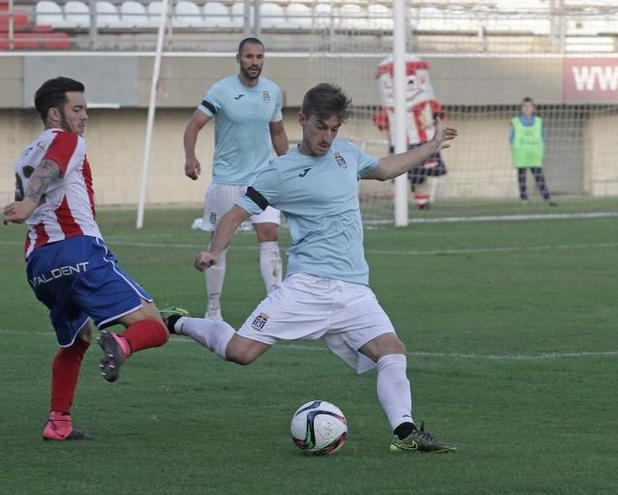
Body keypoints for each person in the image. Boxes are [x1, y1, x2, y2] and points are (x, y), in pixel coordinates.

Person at [164, 83, 458, 453]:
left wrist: (431, 146)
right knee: (240, 352)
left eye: (334, 129)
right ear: (302, 120)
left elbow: (384, 169)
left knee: (392, 351)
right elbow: (236, 214)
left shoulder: (345, 154)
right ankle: (177, 322)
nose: (327, 137)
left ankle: (407, 434)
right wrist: (213, 252)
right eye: (321, 127)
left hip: (354, 289)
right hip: (308, 286)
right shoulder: (279, 171)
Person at [3, 77, 185, 441]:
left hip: (39, 267)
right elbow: (52, 167)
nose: (85, 116)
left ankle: (58, 423)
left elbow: (40, 176)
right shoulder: (67, 140)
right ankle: (121, 345)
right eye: (77, 109)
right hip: (78, 251)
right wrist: (30, 202)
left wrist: (26, 203)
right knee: (153, 326)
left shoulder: (26, 153)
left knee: (76, 340)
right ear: (55, 113)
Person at [183, 37, 289, 321]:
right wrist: (190, 157)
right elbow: (194, 125)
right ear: (239, 58)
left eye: (259, 57)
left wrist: (290, 165)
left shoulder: (272, 92)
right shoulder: (221, 90)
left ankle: (276, 304)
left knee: (269, 233)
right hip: (227, 180)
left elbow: (277, 132)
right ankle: (213, 309)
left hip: (263, 177)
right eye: (249, 56)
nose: (254, 62)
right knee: (220, 242)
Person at [372, 54, 448, 210]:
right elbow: (382, 119)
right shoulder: (390, 106)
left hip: (422, 140)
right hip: (399, 141)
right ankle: (400, 203)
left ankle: (422, 201)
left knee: (421, 173)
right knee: (398, 171)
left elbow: (436, 112)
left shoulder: (424, 102)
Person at [510, 97, 556, 206]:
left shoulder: (539, 122)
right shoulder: (516, 122)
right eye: (524, 106)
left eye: (529, 106)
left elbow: (543, 136)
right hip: (521, 154)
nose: (527, 108)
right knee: (522, 177)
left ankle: (547, 198)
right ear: (521, 108)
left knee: (539, 177)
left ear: (533, 108)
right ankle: (524, 199)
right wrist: (516, 147)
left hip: (534, 154)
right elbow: (512, 137)